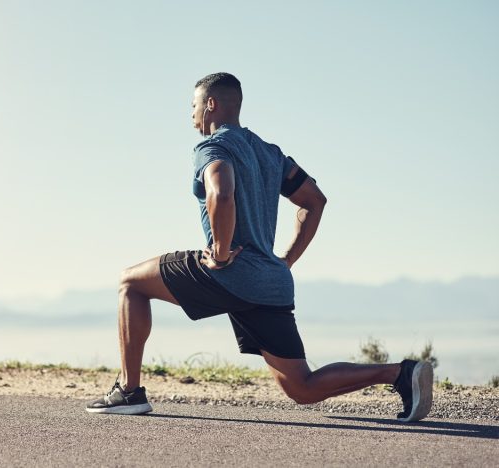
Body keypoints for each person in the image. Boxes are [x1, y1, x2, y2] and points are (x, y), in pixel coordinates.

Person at [86, 72, 433, 422]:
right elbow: (315, 201)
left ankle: (129, 391)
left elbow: (220, 192)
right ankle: (400, 374)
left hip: (228, 272)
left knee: (130, 282)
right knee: (302, 387)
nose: (190, 117)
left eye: (192, 106)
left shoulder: (213, 146)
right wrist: (285, 261)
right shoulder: (270, 154)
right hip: (270, 282)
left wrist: (221, 253)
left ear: (211, 105)